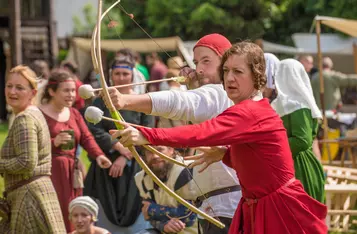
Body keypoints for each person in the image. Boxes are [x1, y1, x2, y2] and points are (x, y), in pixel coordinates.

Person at [109, 42, 328, 234]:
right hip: (257, 205)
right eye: (226, 70)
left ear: (257, 74)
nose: (229, 78)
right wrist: (227, 154)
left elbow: (201, 131)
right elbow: (260, 158)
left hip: (277, 208)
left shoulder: (251, 111)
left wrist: (147, 134)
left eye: (238, 71)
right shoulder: (248, 108)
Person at [106, 33, 240, 234]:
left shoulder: (220, 92)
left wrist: (127, 100)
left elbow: (181, 103)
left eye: (206, 60)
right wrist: (195, 87)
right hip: (216, 208)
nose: (200, 68)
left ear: (225, 61)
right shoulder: (220, 94)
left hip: (227, 208)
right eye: (196, 62)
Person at [84, 55, 154, 233]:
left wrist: (126, 157)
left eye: (125, 73)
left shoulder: (142, 101)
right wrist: (117, 147)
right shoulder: (101, 101)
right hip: (106, 165)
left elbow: (148, 132)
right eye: (117, 73)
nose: (121, 78)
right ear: (111, 75)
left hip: (134, 167)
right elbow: (94, 129)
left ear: (132, 75)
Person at [39, 69, 112, 232]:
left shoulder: (74, 113)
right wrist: (53, 142)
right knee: (54, 211)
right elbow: (31, 146)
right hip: (49, 172)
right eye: (66, 90)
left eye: (73, 90)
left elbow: (86, 137)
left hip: (72, 172)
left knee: (73, 211)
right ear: (52, 91)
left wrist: (99, 155)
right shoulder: (39, 115)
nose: (72, 94)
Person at [0, 65, 66, 233]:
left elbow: (26, 162)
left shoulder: (25, 118)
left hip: (30, 198)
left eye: (20, 87)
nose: (12, 91)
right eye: (9, 86)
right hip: (32, 193)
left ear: (33, 93)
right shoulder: (31, 113)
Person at [271, 59, 325, 202]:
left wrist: (271, 148)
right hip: (288, 164)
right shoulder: (283, 104)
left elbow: (302, 140)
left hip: (301, 167)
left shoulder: (298, 105)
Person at [135, 146, 198, 234]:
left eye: (159, 150)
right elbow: (149, 217)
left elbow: (189, 217)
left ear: (171, 149)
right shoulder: (141, 178)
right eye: (149, 151)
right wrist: (163, 226)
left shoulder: (185, 169)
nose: (155, 156)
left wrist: (152, 209)